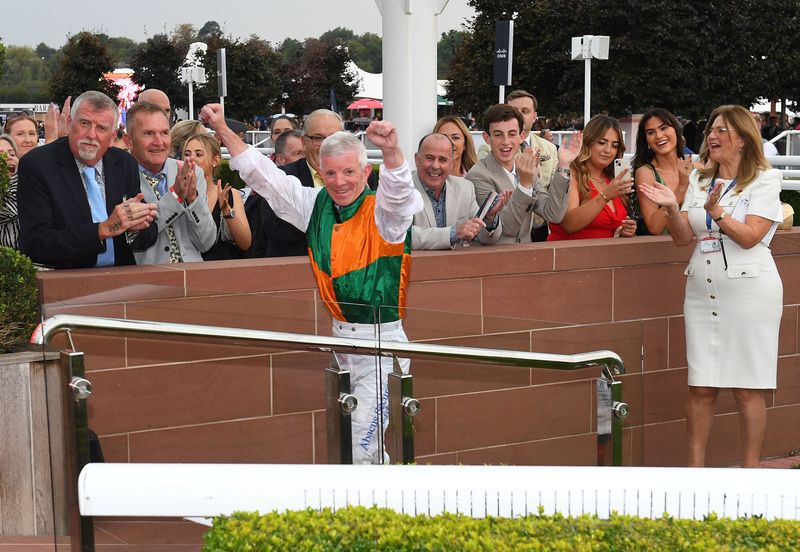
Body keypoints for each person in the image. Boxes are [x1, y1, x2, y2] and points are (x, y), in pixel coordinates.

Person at [200, 102, 423, 465]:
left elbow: (399, 198)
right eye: (331, 172)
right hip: (341, 343)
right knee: (358, 448)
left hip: (383, 347)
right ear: (320, 169)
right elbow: (265, 178)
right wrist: (222, 129)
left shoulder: (383, 214)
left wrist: (392, 152)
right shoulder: (315, 204)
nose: (339, 182)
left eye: (349, 172)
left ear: (365, 172)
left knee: (358, 447)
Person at [639, 104, 784, 468]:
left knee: (747, 387)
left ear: (743, 139)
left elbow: (750, 237)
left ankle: (750, 472)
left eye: (722, 130)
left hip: (750, 294)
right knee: (701, 386)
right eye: (710, 130)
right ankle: (696, 474)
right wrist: (672, 208)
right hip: (702, 293)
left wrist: (716, 212)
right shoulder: (700, 178)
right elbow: (682, 238)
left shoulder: (766, 179)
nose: (712, 136)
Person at [17, 91, 158, 269]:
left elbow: (146, 237)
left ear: (112, 137)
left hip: (120, 277)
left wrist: (135, 226)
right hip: (66, 279)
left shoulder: (124, 163)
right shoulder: (37, 164)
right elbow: (36, 243)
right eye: (84, 123)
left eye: (101, 128)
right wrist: (101, 230)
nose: (91, 135)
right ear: (69, 124)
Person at [260, 109, 377, 257]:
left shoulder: (363, 176)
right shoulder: (283, 177)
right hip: (297, 265)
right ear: (304, 142)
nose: (327, 144)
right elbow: (277, 232)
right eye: (318, 138)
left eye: (334, 137)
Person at [466, 104, 577, 244]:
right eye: (498, 135)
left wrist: (563, 166)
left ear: (521, 136)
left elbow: (553, 214)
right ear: (487, 138)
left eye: (512, 134)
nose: (506, 141)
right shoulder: (477, 175)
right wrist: (524, 185)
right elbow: (506, 230)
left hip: (526, 254)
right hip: (493, 256)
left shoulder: (526, 167)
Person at [124, 101, 216, 264]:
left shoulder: (192, 172)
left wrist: (193, 199)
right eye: (148, 133)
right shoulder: (119, 177)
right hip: (147, 276)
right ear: (129, 141)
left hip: (193, 273)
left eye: (164, 133)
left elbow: (206, 243)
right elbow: (136, 238)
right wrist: (176, 195)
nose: (158, 141)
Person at [412, 133, 507, 249]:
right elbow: (401, 236)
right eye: (429, 158)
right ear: (417, 159)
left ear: (451, 164)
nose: (435, 166)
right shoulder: (399, 190)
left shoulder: (465, 188)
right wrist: (453, 233)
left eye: (443, 160)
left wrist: (489, 218)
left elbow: (484, 238)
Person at [548, 115, 636, 240]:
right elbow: (569, 224)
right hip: (570, 251)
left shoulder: (612, 179)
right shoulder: (570, 174)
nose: (608, 150)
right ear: (588, 142)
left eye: (614, 145)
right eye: (602, 143)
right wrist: (605, 195)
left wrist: (623, 230)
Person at [182, 133, 251, 260]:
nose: (191, 159)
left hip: (222, 269)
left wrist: (226, 211)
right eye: (187, 154)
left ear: (215, 161)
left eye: (198, 154)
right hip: (186, 269)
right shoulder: (177, 194)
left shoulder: (231, 194)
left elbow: (245, 243)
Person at [632, 108, 693, 235]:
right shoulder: (646, 173)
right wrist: (681, 187)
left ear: (676, 130)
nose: (659, 136)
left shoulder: (696, 168)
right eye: (651, 132)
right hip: (666, 246)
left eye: (664, 128)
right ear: (646, 140)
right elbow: (654, 227)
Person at [0, 135, 20, 248]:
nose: (8, 157)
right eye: (1, 155)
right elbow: (12, 209)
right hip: (9, 255)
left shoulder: (29, 181)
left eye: (12, 154)